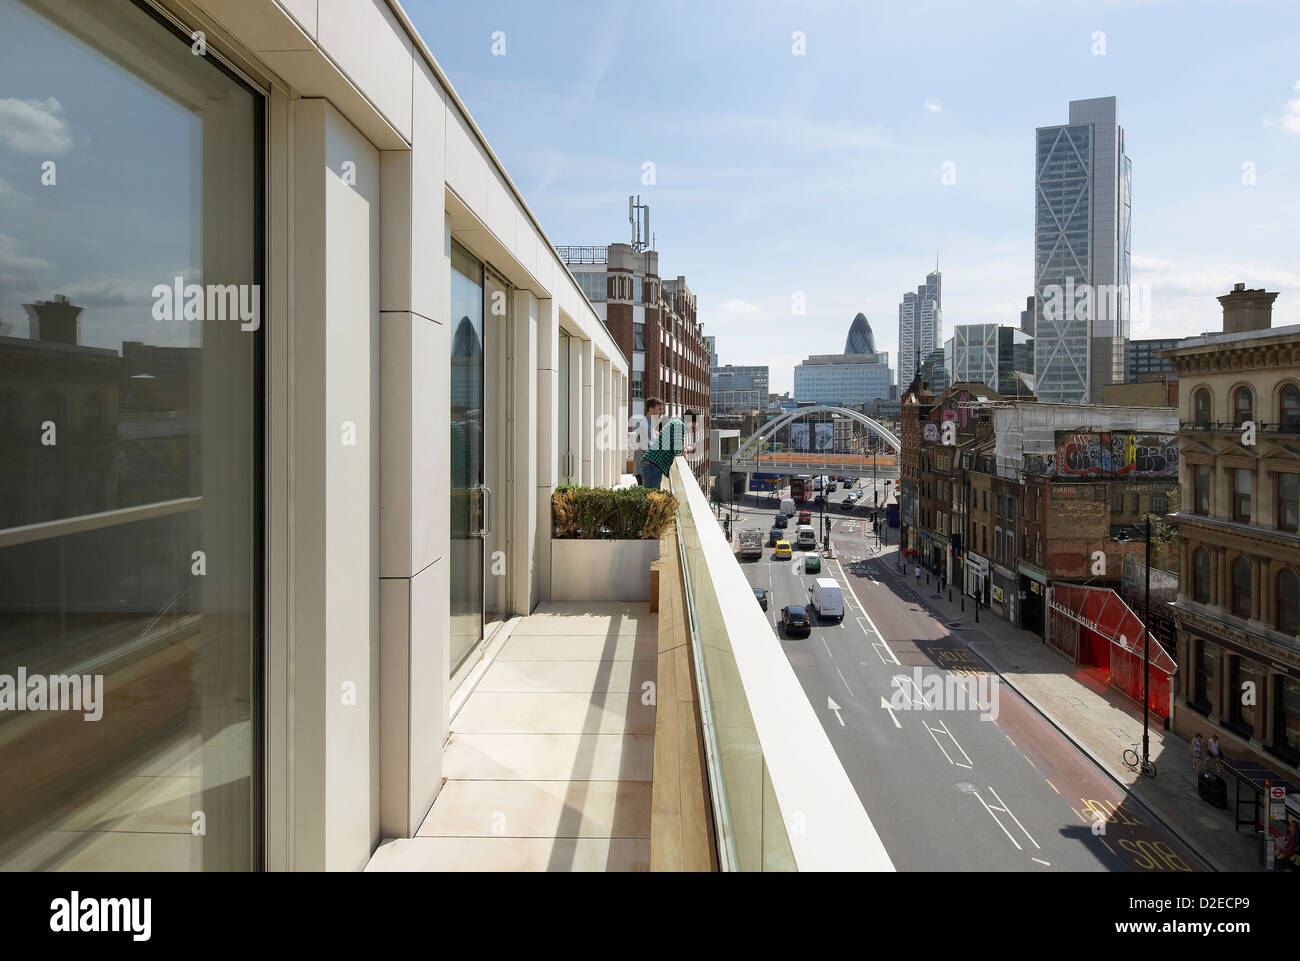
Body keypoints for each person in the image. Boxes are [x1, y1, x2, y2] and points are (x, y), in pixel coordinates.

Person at [643, 407, 694, 489]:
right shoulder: (679, 425)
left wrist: (682, 448)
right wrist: (683, 450)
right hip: (653, 466)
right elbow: (677, 450)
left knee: (651, 496)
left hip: (653, 465)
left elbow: (675, 444)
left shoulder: (677, 422)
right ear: (692, 422)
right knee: (651, 497)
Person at [638, 397, 664, 489]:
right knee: (650, 497)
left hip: (651, 466)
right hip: (649, 467)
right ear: (650, 409)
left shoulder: (651, 425)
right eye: (659, 409)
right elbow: (647, 447)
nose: (661, 411)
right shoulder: (645, 425)